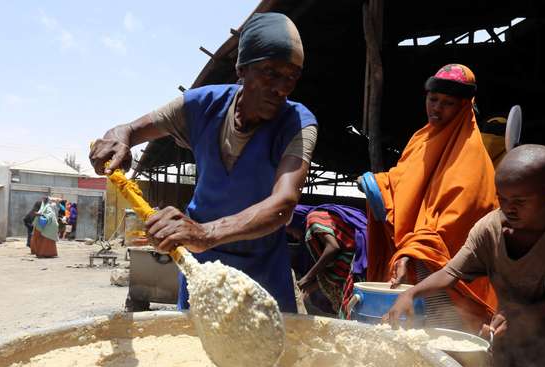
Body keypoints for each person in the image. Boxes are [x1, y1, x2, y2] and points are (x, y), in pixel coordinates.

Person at [89, 12, 317, 313]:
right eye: (270, 72)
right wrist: (116, 138)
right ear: (242, 68)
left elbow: (283, 203)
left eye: (291, 77)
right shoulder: (201, 105)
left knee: (271, 355)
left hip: (263, 273)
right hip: (200, 269)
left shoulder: (299, 123)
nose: (281, 88)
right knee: (195, 352)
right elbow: (129, 130)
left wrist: (206, 233)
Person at [384, 145, 545, 367]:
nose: (509, 208)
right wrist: (411, 293)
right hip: (501, 345)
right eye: (502, 198)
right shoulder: (490, 228)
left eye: (520, 201)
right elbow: (451, 272)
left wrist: (523, 314)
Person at [364, 64, 498, 332]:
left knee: (442, 338)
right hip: (411, 257)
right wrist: (378, 184)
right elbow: (405, 181)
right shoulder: (420, 139)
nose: (436, 108)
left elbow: (454, 223)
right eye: (433, 99)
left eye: (448, 103)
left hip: (442, 274)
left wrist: (412, 253)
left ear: (464, 107)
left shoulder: (471, 157)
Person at [286, 204, 368, 316]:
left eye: (290, 232)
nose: (294, 236)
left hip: (358, 259)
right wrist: (309, 289)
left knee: (353, 311)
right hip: (357, 260)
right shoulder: (315, 232)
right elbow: (329, 272)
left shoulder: (313, 219)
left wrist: (307, 278)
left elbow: (333, 247)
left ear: (294, 222)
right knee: (353, 310)